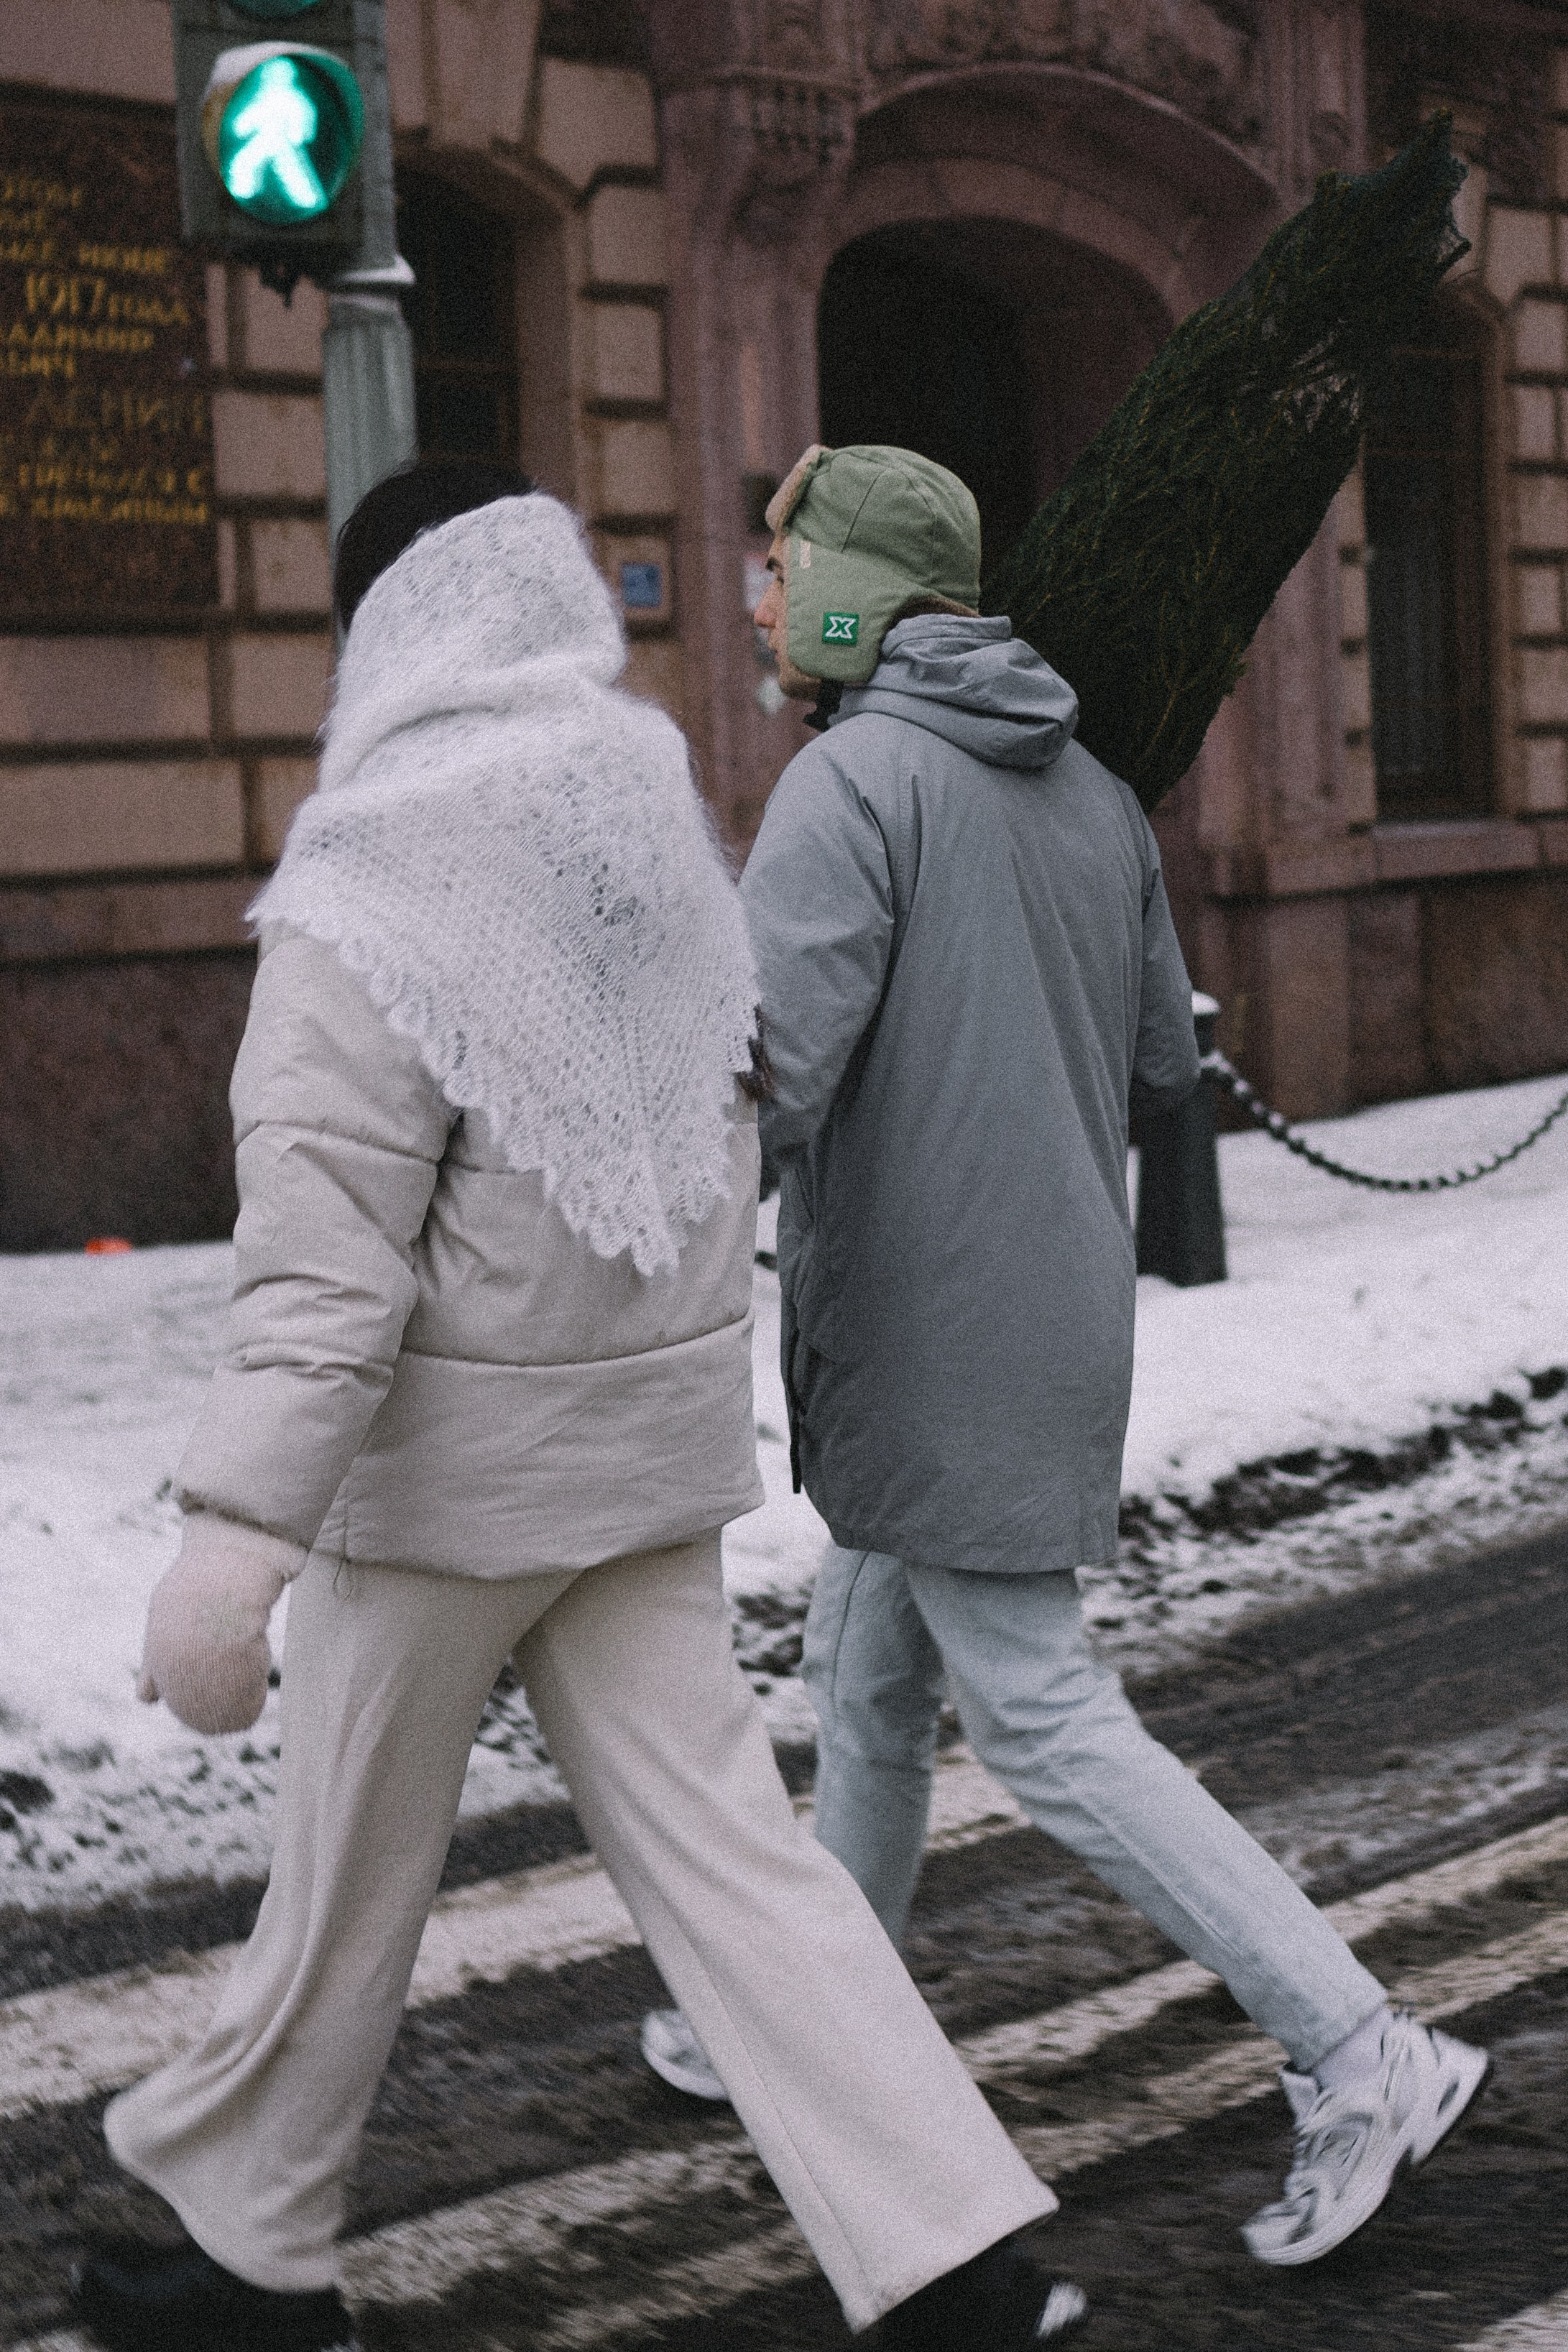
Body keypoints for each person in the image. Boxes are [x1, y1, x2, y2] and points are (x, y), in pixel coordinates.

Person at [71, 463, 1090, 2352]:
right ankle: (959, 2260)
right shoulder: (646, 810)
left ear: (387, 628)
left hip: (447, 1495)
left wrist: (236, 1545)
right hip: (635, 1471)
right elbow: (721, 1145)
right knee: (741, 1875)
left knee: (343, 1882)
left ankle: (248, 2261)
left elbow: (323, 1258)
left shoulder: (373, 866)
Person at [639, 441, 1488, 2268]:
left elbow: (762, 1078)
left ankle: (1358, 2044)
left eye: (784, 569)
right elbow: (1160, 1069)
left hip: (927, 1329)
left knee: (1037, 1710)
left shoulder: (844, 783)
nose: (763, 603)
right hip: (1039, 1313)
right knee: (867, 1679)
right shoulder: (1090, 786)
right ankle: (799, 2025)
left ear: (861, 586)